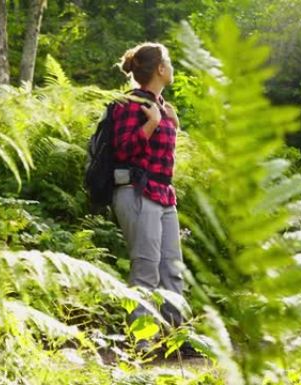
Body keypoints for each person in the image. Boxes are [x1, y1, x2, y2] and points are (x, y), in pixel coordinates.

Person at [111, 42, 185, 329]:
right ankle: (141, 340)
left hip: (164, 195)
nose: (172, 67)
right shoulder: (132, 104)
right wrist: (151, 124)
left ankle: (175, 338)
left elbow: (160, 155)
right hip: (136, 192)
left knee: (172, 271)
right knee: (145, 270)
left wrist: (170, 124)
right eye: (170, 61)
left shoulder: (163, 108)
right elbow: (123, 151)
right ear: (160, 69)